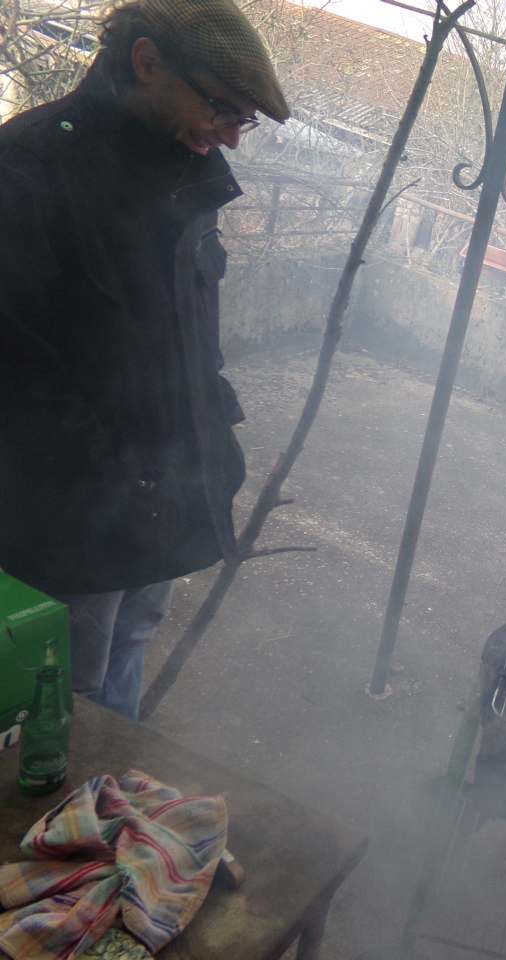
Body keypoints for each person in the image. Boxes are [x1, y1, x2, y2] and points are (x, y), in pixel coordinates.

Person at [0, 0, 289, 719]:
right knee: (60, 693)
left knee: (128, 652)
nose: (231, 135)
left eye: (242, 119)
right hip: (72, 518)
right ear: (147, 61)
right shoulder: (30, 166)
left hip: (159, 495)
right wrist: (116, 480)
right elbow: (15, 371)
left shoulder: (184, 172)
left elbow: (190, 331)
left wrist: (211, 440)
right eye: (222, 107)